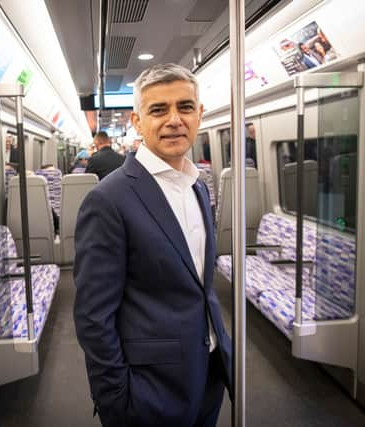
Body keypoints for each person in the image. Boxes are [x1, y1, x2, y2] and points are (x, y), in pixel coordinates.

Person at [74, 63, 232, 427]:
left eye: (185, 107)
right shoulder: (109, 200)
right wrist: (117, 399)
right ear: (137, 121)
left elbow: (197, 284)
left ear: (200, 114)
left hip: (208, 371)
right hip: (149, 390)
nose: (175, 119)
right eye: (159, 110)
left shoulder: (198, 185)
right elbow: (92, 316)